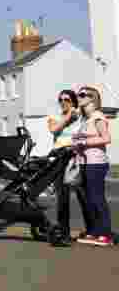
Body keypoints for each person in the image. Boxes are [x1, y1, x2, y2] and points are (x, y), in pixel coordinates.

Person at [71, 86, 113, 246]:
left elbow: (106, 138)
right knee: (88, 200)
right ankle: (94, 232)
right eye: (78, 95)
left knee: (97, 199)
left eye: (82, 95)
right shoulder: (85, 119)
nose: (79, 97)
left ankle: (105, 234)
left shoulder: (98, 116)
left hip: (96, 163)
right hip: (84, 163)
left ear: (92, 98)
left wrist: (84, 141)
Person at [48, 89, 89, 246]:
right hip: (59, 157)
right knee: (62, 197)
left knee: (83, 195)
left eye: (67, 99)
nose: (64, 102)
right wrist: (67, 118)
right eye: (61, 99)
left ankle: (92, 230)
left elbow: (82, 135)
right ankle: (63, 232)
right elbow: (53, 129)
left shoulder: (80, 118)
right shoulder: (55, 116)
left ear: (73, 102)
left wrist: (76, 143)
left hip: (75, 156)